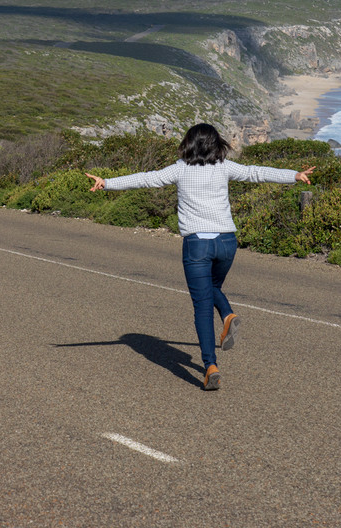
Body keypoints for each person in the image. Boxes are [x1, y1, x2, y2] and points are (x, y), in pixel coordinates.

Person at [86, 123, 314, 391]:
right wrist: (293, 175)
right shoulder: (225, 166)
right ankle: (227, 315)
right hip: (227, 242)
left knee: (203, 306)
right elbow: (256, 173)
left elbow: (146, 178)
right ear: (216, 143)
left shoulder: (180, 168)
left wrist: (107, 183)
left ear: (189, 143)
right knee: (212, 288)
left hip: (197, 245)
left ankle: (210, 365)